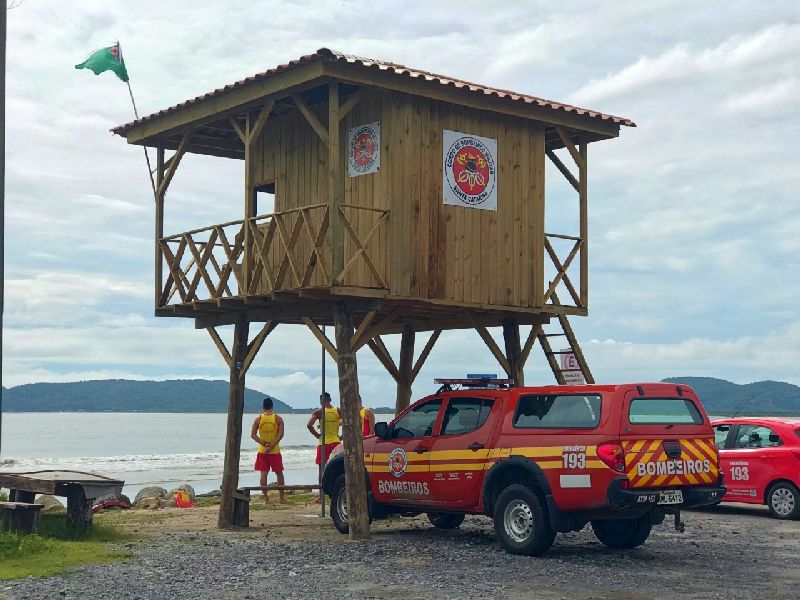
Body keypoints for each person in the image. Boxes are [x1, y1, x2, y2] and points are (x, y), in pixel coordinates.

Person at [251, 397, 286, 504]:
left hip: (263, 451)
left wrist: (264, 443)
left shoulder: (258, 419)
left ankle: (266, 499)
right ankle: (281, 498)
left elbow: (253, 435)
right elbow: (280, 435)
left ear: (263, 407)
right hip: (274, 450)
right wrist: (271, 445)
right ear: (272, 406)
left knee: (263, 474)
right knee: (279, 473)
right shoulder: (278, 419)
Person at [307, 392, 341, 466]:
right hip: (336, 442)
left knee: (322, 468)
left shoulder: (319, 411)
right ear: (330, 400)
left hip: (323, 443)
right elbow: (347, 423)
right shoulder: (337, 410)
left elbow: (309, 425)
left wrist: (317, 435)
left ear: (321, 401)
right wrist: (342, 436)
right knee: (336, 467)